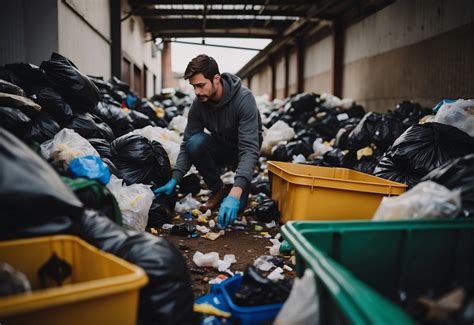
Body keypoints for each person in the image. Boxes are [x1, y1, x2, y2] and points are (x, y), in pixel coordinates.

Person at [154, 54, 262, 228]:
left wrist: (236, 192)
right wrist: (175, 178)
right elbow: (187, 141)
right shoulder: (199, 104)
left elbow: (249, 149)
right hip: (220, 147)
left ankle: (234, 190)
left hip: (243, 152)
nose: (196, 92)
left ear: (216, 79)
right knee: (195, 143)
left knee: (239, 207)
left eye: (200, 85)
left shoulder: (243, 99)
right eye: (193, 86)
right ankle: (218, 189)